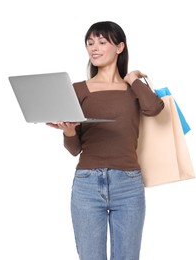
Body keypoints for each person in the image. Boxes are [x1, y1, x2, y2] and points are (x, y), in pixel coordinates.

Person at [47, 21, 164, 260]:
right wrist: (68, 132)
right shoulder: (77, 89)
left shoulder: (134, 89)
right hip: (87, 183)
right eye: (90, 43)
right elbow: (74, 149)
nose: (94, 48)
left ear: (120, 47)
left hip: (128, 184)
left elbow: (154, 108)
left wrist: (132, 79)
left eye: (102, 42)